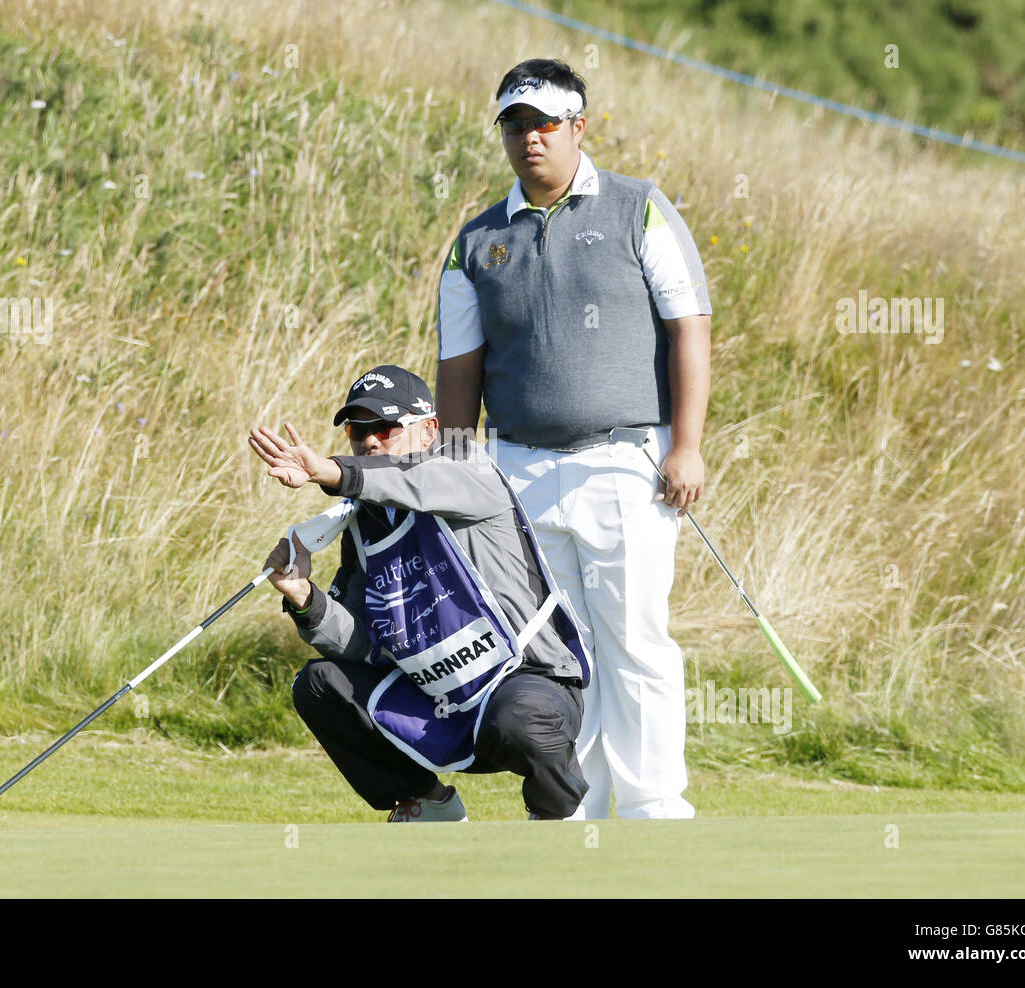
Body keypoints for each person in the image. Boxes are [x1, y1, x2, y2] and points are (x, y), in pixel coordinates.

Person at [434, 59, 712, 819]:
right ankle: (572, 809)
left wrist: (686, 445)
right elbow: (458, 372)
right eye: (516, 126)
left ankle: (655, 805)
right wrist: (457, 481)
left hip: (626, 461)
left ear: (579, 126)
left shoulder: (639, 209)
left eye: (545, 124)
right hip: (516, 470)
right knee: (553, 653)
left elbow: (689, 330)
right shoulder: (477, 241)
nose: (530, 139)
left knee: (633, 638)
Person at [248, 364, 592, 821]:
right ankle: (428, 805)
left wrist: (333, 472)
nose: (370, 441)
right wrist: (306, 599)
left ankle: (554, 819)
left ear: (429, 430)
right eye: (357, 430)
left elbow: (415, 482)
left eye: (385, 427)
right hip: (441, 702)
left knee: (523, 720)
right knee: (319, 685)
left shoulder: (466, 469)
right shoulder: (365, 523)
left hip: (525, 684)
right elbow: (365, 643)